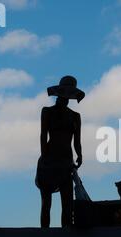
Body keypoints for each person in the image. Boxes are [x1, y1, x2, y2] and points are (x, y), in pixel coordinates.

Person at [35, 76, 84, 228]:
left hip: (65, 161)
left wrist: (79, 155)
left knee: (67, 201)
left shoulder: (75, 116)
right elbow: (43, 135)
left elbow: (77, 141)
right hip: (49, 158)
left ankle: (66, 233)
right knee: (46, 202)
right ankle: (45, 233)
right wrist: (44, 156)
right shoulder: (47, 112)